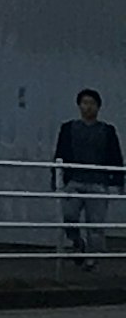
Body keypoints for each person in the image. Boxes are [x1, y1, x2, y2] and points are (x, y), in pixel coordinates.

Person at [56, 90, 124, 253]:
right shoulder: (68, 128)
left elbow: (115, 155)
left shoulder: (107, 130)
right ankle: (77, 241)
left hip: (98, 182)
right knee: (69, 217)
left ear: (98, 107)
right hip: (74, 180)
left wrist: (118, 180)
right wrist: (58, 178)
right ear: (79, 105)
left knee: (95, 224)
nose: (88, 107)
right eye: (85, 103)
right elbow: (60, 153)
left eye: (92, 103)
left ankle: (93, 257)